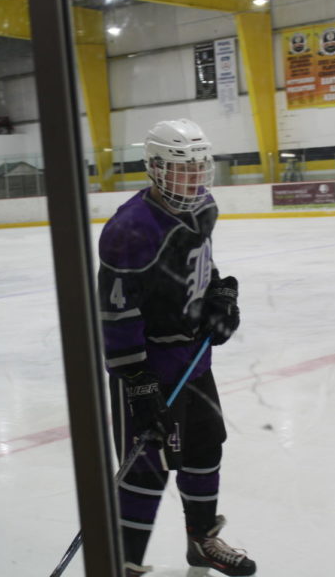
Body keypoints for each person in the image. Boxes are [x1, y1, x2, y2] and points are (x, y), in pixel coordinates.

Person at [98, 118, 255, 577]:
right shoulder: (130, 228)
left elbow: (201, 265)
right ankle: (122, 563)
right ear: (155, 168)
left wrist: (221, 296)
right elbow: (115, 311)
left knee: (206, 447)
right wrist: (139, 381)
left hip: (192, 359)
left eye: (199, 168)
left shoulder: (203, 207)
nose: (193, 178)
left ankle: (202, 540)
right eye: (181, 169)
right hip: (147, 369)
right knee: (144, 470)